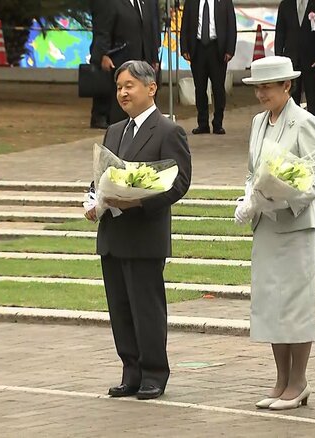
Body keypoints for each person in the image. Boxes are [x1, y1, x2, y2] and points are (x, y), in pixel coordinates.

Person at [84, 60, 192, 400]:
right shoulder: (114, 131)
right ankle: (130, 370)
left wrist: (139, 201)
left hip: (145, 234)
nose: (122, 93)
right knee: (120, 308)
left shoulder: (168, 131)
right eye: (118, 87)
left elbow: (179, 184)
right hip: (113, 234)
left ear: (151, 88)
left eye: (129, 86)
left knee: (146, 308)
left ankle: (154, 373)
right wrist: (93, 200)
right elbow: (100, 175)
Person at [234, 56, 315, 411]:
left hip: (296, 224)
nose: (261, 93)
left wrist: (285, 197)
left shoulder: (304, 122)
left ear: (287, 86)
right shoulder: (258, 123)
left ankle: (298, 380)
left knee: (295, 303)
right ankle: (280, 378)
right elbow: (251, 171)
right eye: (257, 87)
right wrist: (250, 198)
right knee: (271, 301)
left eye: (267, 87)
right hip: (266, 225)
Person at [89, 0, 161, 128]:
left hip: (143, 60)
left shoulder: (146, 3)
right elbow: (102, 30)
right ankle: (110, 122)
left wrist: (153, 57)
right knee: (120, 98)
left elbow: (150, 30)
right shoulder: (110, 3)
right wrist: (103, 54)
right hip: (119, 58)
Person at [180, 0, 237, 135]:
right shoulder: (191, 2)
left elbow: (231, 25)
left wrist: (230, 50)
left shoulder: (224, 2)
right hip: (197, 49)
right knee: (200, 88)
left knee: (218, 88)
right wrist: (184, 48)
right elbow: (185, 25)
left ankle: (218, 123)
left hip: (217, 49)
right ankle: (202, 123)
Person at [275, 0, 315, 122]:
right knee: (290, 101)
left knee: (313, 102)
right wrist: (279, 59)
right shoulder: (286, 4)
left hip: (313, 63)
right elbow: (280, 34)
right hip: (290, 63)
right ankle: (290, 133)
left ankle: (314, 135)